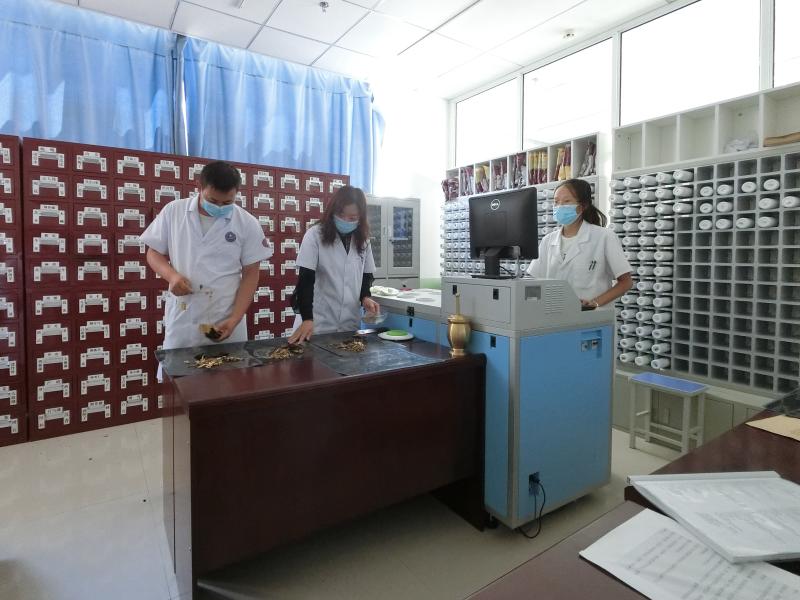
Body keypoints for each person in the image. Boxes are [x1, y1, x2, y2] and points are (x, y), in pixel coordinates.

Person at [140, 160, 273, 350]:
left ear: (237, 192)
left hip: (225, 315)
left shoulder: (247, 223)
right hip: (184, 314)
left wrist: (235, 319)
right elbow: (153, 252)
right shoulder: (174, 211)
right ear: (199, 187)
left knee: (229, 367)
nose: (219, 207)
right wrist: (172, 276)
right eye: (213, 201)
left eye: (227, 203)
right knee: (179, 366)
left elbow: (251, 273)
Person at [288, 185, 379, 343]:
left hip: (348, 324)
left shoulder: (363, 239)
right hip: (317, 323)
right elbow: (305, 280)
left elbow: (366, 275)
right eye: (341, 215)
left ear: (360, 217)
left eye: (352, 218)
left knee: (347, 357)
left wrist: (365, 298)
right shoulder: (315, 235)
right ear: (333, 211)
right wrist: (307, 318)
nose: (346, 221)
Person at [526, 178, 632, 308]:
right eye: (556, 202)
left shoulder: (604, 237)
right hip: (553, 314)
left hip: (592, 316)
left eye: (566, 201)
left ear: (582, 206)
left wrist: (595, 303)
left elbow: (626, 282)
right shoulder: (548, 240)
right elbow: (534, 281)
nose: (559, 206)